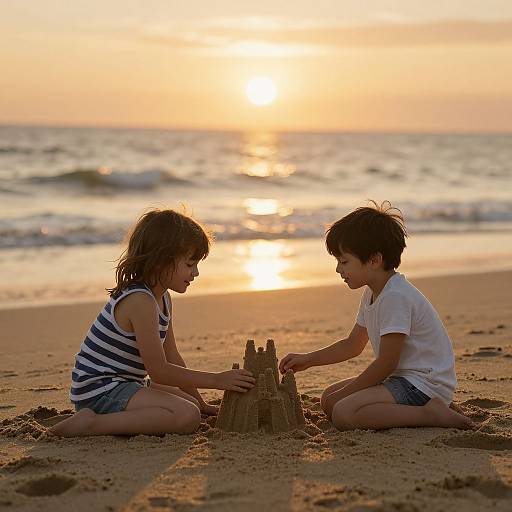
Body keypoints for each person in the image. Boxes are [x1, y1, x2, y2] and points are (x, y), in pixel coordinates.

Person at [51, 208, 255, 437]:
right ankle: (91, 424)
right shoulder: (140, 301)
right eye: (189, 264)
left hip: (126, 383)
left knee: (192, 405)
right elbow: (159, 371)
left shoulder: (162, 298)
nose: (196, 272)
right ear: (161, 261)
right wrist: (217, 380)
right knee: (186, 416)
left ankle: (113, 417)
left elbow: (172, 358)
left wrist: (201, 402)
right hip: (100, 389)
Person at [279, 201, 473, 431]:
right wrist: (308, 359)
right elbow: (353, 345)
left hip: (424, 385)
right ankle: (422, 410)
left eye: (344, 261)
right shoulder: (372, 291)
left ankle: (429, 414)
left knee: (343, 412)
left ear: (374, 260)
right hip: (404, 379)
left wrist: (347, 394)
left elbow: (387, 362)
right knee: (329, 397)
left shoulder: (396, 297)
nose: (338, 270)